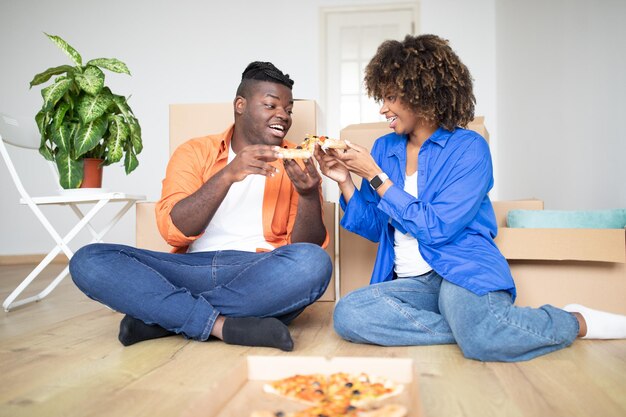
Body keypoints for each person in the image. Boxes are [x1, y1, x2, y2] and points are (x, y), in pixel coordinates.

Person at [315, 34, 626, 362]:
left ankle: (574, 321)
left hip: (461, 270)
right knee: (349, 313)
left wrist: (376, 177)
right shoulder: (384, 148)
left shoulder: (469, 149)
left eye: (391, 96)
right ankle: (475, 329)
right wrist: (345, 181)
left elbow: (439, 228)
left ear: (421, 92)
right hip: (412, 285)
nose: (383, 108)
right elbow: (377, 227)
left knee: (482, 342)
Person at [70, 61, 332, 352]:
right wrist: (228, 174)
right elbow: (175, 231)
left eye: (289, 109)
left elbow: (305, 248)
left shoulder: (296, 160)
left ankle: (162, 318)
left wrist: (309, 194)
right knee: (88, 260)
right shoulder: (194, 152)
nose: (282, 116)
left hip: (257, 272)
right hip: (188, 270)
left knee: (314, 264)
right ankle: (223, 325)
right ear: (240, 105)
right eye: (271, 105)